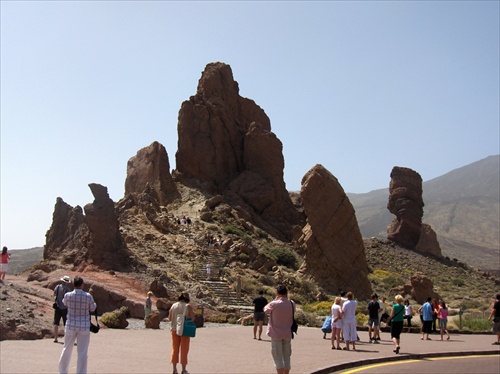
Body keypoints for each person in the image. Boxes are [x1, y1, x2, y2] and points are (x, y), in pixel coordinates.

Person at [58, 276, 97, 374]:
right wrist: (92, 296)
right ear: (82, 285)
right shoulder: (87, 296)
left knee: (67, 348)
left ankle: (62, 372)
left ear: (73, 284)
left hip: (71, 324)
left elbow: (64, 303)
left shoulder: (68, 295)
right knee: (82, 352)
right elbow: (92, 308)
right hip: (83, 326)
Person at [264, 285, 294, 374]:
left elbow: (265, 310)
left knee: (278, 357)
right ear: (286, 293)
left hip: (276, 333)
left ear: (277, 293)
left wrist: (274, 300)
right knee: (287, 357)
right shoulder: (292, 303)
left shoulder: (275, 304)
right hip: (287, 333)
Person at [168, 292, 196, 374]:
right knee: (184, 350)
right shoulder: (188, 306)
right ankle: (183, 369)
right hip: (184, 330)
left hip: (174, 329)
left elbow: (169, 318)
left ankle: (174, 369)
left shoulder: (174, 305)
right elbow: (193, 318)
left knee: (175, 349)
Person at [53, 276, 72, 343]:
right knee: (66, 324)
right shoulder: (68, 289)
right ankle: (66, 339)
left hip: (57, 306)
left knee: (56, 323)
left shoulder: (57, 287)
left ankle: (55, 338)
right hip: (65, 308)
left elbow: (54, 294)